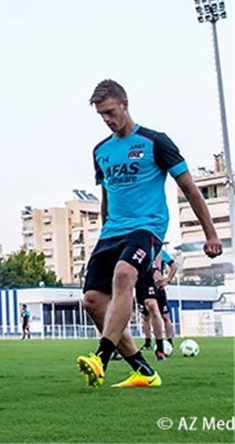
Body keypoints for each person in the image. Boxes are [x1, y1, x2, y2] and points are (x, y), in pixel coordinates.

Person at [77, 80, 222, 389]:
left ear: (125, 105)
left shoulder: (156, 142)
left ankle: (101, 357)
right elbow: (106, 196)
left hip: (147, 227)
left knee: (124, 274)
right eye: (101, 115)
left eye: (110, 111)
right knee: (92, 301)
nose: (107, 119)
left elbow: (190, 189)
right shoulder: (101, 151)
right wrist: (104, 229)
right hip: (112, 232)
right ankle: (143, 370)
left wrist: (211, 234)